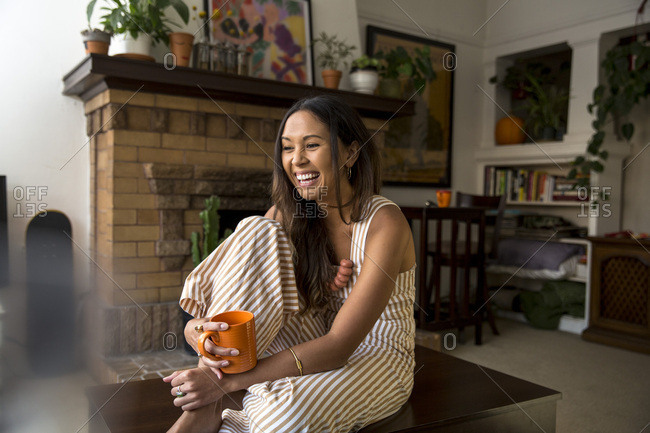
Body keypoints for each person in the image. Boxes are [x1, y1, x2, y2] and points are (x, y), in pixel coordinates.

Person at [163, 95, 417, 433]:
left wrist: (225, 383)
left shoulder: (385, 222)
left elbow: (340, 346)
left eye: (312, 145)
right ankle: (206, 411)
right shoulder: (288, 217)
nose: (297, 160)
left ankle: (236, 402)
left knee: (283, 418)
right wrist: (199, 333)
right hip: (314, 342)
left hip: (376, 357)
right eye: (287, 148)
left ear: (351, 153)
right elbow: (212, 315)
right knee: (256, 227)